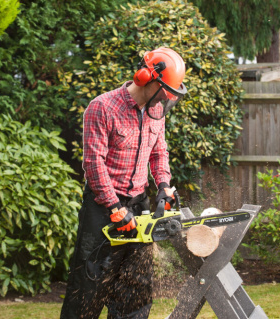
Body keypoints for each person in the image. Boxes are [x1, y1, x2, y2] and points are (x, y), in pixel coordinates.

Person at [60, 47, 187, 319]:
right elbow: (94, 165)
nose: (167, 98)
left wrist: (164, 185)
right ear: (146, 78)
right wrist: (115, 207)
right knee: (88, 288)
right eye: (165, 90)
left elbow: (159, 152)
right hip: (103, 207)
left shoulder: (156, 111)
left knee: (135, 290)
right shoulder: (102, 107)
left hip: (139, 204)